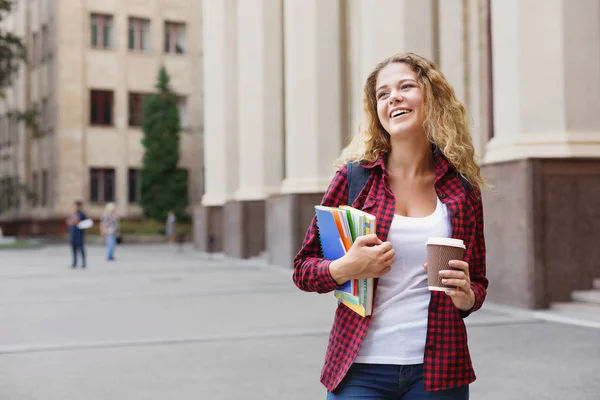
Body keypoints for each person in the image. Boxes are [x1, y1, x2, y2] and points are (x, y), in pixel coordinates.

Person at [293, 52, 488, 399]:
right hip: (359, 368)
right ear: (377, 111)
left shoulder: (461, 188)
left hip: (439, 370)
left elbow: (478, 281)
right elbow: (303, 269)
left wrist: (467, 297)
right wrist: (345, 267)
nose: (393, 97)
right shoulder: (355, 179)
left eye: (406, 87)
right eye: (383, 94)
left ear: (431, 97)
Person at [66, 200, 87, 268]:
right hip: (73, 234)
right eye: (74, 206)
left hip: (79, 234)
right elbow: (68, 222)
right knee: (73, 249)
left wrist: (73, 221)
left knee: (81, 249)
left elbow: (77, 221)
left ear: (79, 207)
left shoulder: (81, 214)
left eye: (76, 206)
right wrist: (73, 221)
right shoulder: (72, 214)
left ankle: (83, 263)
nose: (75, 208)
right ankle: (74, 263)